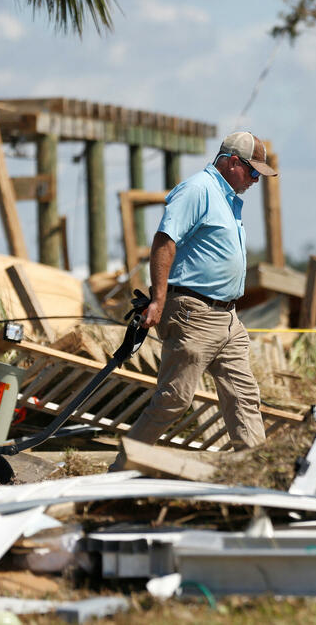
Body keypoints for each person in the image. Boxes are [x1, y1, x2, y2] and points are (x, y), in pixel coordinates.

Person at [111, 132, 277, 466]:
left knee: (244, 397)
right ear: (233, 163)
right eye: (252, 171)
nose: (256, 179)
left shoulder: (226, 198)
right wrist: (158, 301)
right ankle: (119, 469)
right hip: (193, 314)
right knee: (174, 399)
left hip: (227, 318)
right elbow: (164, 242)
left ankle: (256, 475)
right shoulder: (198, 190)